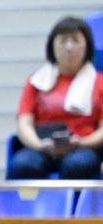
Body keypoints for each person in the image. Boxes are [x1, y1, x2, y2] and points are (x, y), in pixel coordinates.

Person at [7, 15, 102, 182]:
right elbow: (24, 123)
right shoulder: (36, 81)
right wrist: (38, 145)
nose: (69, 47)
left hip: (83, 147)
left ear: (87, 46)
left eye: (75, 41)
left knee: (78, 165)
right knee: (23, 165)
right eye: (63, 41)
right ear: (52, 46)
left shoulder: (99, 82)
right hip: (42, 147)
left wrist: (82, 143)